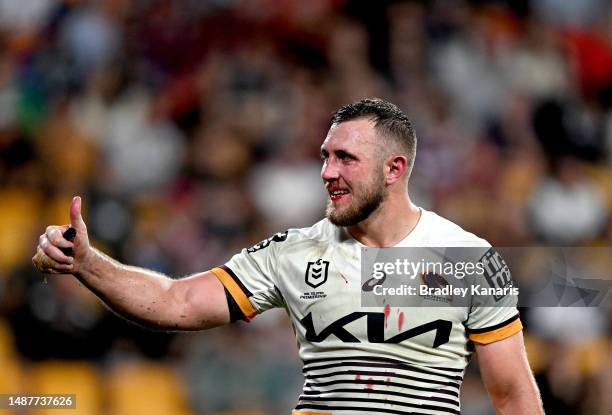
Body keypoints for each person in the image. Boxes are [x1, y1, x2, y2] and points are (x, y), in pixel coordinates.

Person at [33, 98, 543, 414]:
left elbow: (512, 396)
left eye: (345, 158)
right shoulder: (293, 253)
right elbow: (175, 301)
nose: (327, 171)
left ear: (394, 169)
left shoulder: (466, 260)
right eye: (325, 156)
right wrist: (88, 264)